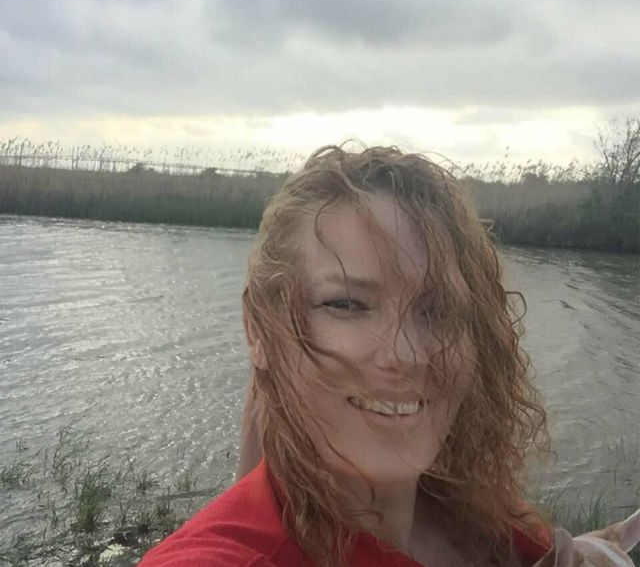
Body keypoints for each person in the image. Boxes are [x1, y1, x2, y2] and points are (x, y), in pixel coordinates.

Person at [138, 145, 554, 567]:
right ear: (257, 329)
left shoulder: (490, 522)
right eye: (347, 304)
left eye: (437, 310)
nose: (404, 354)